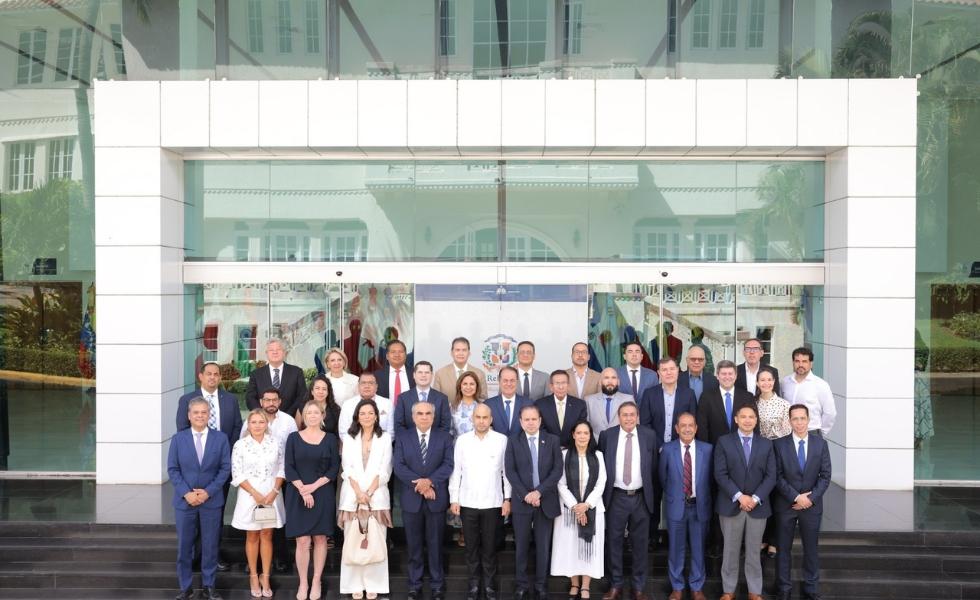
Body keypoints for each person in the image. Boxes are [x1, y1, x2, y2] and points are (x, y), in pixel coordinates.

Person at [176, 362, 242, 572]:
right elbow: (182, 430)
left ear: (220, 377)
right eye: (209, 374)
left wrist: (224, 455)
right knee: (193, 512)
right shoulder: (187, 400)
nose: (212, 377)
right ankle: (195, 556)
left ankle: (213, 555)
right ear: (201, 376)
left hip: (221, 468)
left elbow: (237, 429)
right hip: (194, 468)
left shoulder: (230, 400)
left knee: (216, 513)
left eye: (216, 374)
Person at [168, 398, 231, 600]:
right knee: (185, 547)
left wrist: (208, 492)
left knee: (210, 546)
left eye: (204, 412)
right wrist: (186, 493)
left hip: (211, 501)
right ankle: (185, 588)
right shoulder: (178, 439)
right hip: (185, 502)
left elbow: (225, 469)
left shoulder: (220, 438)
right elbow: (173, 469)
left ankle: (209, 586)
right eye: (196, 412)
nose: (200, 416)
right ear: (189, 415)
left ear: (209, 415)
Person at [714, 404, 777, 600]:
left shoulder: (766, 444)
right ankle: (728, 591)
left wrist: (755, 498)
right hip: (731, 504)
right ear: (736, 419)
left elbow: (771, 476)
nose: (747, 420)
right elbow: (720, 474)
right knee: (730, 551)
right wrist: (740, 496)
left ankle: (754, 592)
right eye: (743, 417)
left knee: (754, 552)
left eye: (751, 417)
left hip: (758, 507)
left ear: (756, 420)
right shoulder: (724, 442)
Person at [394, 402, 455, 600]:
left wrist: (429, 482)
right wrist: (420, 485)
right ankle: (414, 585)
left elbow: (448, 464)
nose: (424, 417)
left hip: (435, 499)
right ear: (413, 417)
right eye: (419, 413)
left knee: (436, 545)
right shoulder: (403, 438)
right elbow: (399, 466)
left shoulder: (444, 437)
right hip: (411, 500)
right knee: (414, 546)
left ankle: (437, 585)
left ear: (433, 416)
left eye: (428, 413)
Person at [450, 403, 511, 600]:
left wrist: (507, 499)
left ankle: (490, 586)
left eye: (485, 417)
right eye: (478, 417)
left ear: (491, 419)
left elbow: (506, 472)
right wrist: (454, 499)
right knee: (471, 548)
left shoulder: (501, 440)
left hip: (493, 503)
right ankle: (474, 586)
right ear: (472, 419)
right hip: (467, 503)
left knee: (490, 548)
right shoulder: (462, 441)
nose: (482, 421)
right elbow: (456, 472)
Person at [598, 402, 657, 600]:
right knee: (614, 542)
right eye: (625, 415)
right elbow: (602, 465)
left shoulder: (649, 435)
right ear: (619, 416)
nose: (629, 418)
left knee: (640, 544)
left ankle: (638, 587)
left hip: (640, 497)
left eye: (632, 414)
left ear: (637, 416)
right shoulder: (607, 436)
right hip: (616, 497)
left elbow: (653, 468)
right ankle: (616, 585)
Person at [774, 404, 832, 600]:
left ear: (808, 420)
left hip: (811, 506)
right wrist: (796, 497)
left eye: (802, 418)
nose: (799, 423)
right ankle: (784, 588)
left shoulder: (820, 444)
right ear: (789, 421)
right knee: (783, 549)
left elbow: (825, 476)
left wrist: (809, 499)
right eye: (795, 419)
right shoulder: (779, 445)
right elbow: (777, 476)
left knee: (811, 549)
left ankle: (811, 588)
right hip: (786, 505)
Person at [505, 405, 564, 600]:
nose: (530, 423)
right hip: (522, 502)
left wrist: (538, 492)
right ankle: (521, 585)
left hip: (545, 500)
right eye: (526, 419)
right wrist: (527, 495)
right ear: (520, 422)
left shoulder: (552, 440)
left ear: (540, 420)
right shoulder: (513, 441)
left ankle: (541, 585)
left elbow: (557, 470)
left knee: (543, 547)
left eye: (533, 419)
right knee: (521, 546)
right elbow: (511, 471)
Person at [284, 402, 340, 600]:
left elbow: (334, 468)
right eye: (309, 412)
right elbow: (288, 467)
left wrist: (313, 487)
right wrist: (303, 489)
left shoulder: (331, 439)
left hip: (322, 492)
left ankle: (316, 580)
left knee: (320, 538)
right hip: (297, 493)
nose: (313, 415)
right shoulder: (293, 438)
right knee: (302, 540)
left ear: (322, 415)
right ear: (304, 416)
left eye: (316, 412)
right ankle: (303, 582)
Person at [338, 399, 393, 600]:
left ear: (376, 416)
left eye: (370, 413)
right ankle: (353, 584)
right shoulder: (349, 437)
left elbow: (385, 469)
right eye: (362, 413)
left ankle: (374, 584)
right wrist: (358, 493)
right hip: (352, 496)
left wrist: (368, 493)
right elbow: (347, 468)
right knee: (352, 540)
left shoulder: (385, 438)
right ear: (357, 417)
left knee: (376, 540)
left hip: (376, 496)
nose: (367, 416)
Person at [241, 388, 298, 575]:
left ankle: (280, 558)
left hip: (280, 479)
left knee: (276, 523)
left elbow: (294, 447)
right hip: (254, 484)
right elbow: (242, 446)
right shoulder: (250, 420)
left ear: (280, 401)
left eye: (274, 400)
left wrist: (276, 487)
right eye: (267, 400)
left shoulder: (288, 421)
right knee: (253, 525)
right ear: (261, 401)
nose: (271, 403)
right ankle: (254, 562)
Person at [642, 357, 697, 545]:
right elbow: (645, 423)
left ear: (678, 371)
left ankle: (680, 537)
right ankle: (651, 536)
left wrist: (676, 447)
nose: (668, 372)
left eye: (672, 369)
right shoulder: (650, 394)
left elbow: (691, 424)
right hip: (655, 452)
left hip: (680, 453)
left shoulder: (688, 394)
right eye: (664, 369)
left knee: (679, 495)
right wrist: (661, 446)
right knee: (654, 494)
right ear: (658, 373)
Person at [231, 409, 285, 598]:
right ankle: (254, 576)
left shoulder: (275, 442)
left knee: (267, 535)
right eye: (253, 422)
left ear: (266, 424)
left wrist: (274, 491)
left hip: (272, 494)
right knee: (252, 535)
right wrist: (255, 493)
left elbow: (282, 468)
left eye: (261, 422)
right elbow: (237, 473)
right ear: (248, 425)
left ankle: (266, 576)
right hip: (249, 495)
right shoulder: (240, 445)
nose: (257, 426)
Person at [551, 421, 606, 600]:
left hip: (593, 509)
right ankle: (574, 583)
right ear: (573, 435)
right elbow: (560, 484)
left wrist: (586, 505)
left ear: (590, 436)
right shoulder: (564, 455)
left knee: (588, 548)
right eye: (579, 433)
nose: (582, 436)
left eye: (586, 433)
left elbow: (601, 483)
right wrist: (576, 507)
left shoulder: (598, 456)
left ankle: (585, 586)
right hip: (569, 511)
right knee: (571, 547)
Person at [658, 413, 711, 600]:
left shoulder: (708, 449)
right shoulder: (667, 449)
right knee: (675, 549)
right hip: (676, 508)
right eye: (683, 425)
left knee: (698, 549)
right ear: (676, 428)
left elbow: (712, 479)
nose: (687, 429)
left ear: (696, 428)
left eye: (690, 425)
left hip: (699, 507)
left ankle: (697, 587)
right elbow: (663, 478)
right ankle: (677, 587)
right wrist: (675, 496)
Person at [755, 365, 791, 558]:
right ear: (757, 383)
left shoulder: (784, 405)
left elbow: (787, 434)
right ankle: (763, 538)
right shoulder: (753, 404)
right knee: (762, 496)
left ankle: (774, 542)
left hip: (778, 451)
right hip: (759, 452)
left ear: (774, 382)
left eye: (769, 380)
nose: (766, 383)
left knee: (777, 497)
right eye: (762, 380)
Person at [696, 360, 754, 446]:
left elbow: (754, 423)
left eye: (730, 374)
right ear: (717, 376)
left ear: (736, 376)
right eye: (723, 374)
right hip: (715, 447)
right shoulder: (706, 397)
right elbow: (702, 427)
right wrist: (705, 449)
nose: (727, 377)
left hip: (742, 447)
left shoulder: (747, 397)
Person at [780, 347, 837, 436]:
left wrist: (820, 433)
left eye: (804, 361)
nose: (800, 365)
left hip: (811, 432)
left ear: (811, 364)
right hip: (788, 433)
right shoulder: (785, 382)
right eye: (797, 361)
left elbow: (830, 413)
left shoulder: (821, 385)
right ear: (793, 362)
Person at [246, 339, 309, 416]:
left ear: (284, 353)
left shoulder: (296, 372)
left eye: (278, 349)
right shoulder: (256, 374)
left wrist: (287, 416)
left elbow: (302, 396)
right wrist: (262, 415)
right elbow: (250, 398)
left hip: (290, 418)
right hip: (263, 419)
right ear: (266, 353)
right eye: (271, 350)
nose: (275, 352)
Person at [394, 361, 452, 434]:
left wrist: (431, 440)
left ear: (432, 375)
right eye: (420, 372)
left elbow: (445, 426)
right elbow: (399, 425)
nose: (423, 375)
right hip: (409, 440)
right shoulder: (403, 398)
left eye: (427, 372)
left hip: (436, 440)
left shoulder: (442, 398)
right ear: (414, 375)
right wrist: (411, 440)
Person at [536, 370, 588, 449]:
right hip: (548, 449)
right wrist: (553, 445)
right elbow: (540, 429)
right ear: (551, 387)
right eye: (557, 383)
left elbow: (581, 428)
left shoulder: (579, 405)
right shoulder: (540, 404)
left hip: (572, 449)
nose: (561, 387)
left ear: (568, 385)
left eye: (563, 383)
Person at [338, 373, 394, 439]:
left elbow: (391, 432)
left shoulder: (387, 404)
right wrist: (360, 444)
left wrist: (377, 443)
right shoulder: (347, 404)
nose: (367, 386)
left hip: (382, 444)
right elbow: (343, 432)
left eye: (371, 383)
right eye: (363, 383)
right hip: (354, 444)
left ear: (376, 386)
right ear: (358, 386)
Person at [486, 366, 533, 437]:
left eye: (512, 380)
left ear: (517, 382)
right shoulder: (488, 404)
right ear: (499, 381)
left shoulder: (528, 404)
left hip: (520, 444)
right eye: (505, 380)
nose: (509, 384)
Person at [585, 368, 633, 438]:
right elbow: (585, 427)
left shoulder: (628, 399)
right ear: (600, 382)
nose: (610, 381)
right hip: (596, 443)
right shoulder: (589, 400)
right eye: (606, 378)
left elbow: (633, 426)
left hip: (621, 442)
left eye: (613, 378)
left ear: (618, 382)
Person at [374, 339, 415, 407]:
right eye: (393, 352)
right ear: (387, 356)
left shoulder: (415, 374)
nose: (397, 355)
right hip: (385, 412)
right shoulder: (377, 376)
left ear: (405, 355)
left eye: (400, 352)